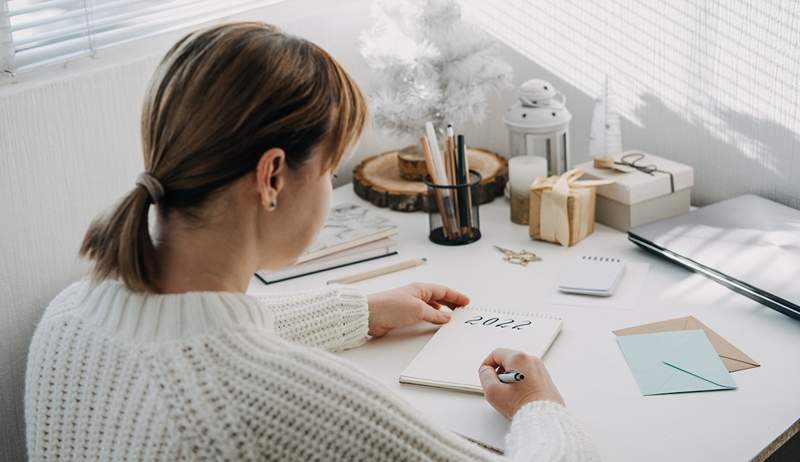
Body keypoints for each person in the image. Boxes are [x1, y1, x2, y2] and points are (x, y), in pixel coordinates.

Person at [25, 22, 598, 461]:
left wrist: (363, 311)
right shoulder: (269, 404)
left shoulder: (70, 313)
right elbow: (225, 365)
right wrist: (537, 407)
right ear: (272, 177)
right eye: (329, 170)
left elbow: (200, 332)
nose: (330, 188)